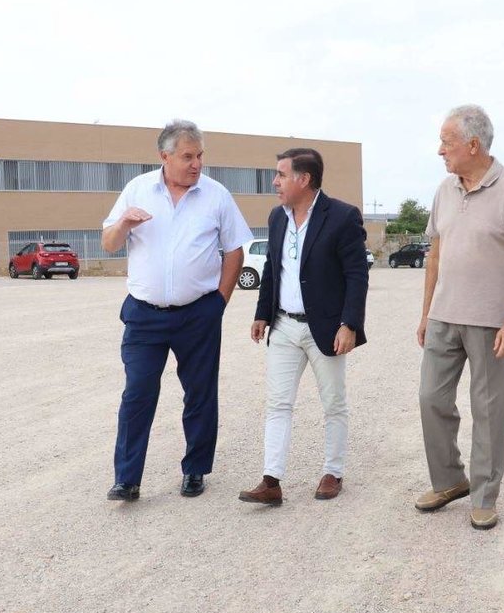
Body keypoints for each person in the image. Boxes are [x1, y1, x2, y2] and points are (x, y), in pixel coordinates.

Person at [101, 120, 252, 501]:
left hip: (198, 313)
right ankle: (127, 479)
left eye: (199, 155)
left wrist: (220, 301)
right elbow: (109, 243)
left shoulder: (215, 195)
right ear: (164, 156)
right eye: (187, 156)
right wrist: (124, 222)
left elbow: (235, 249)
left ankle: (195, 470)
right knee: (137, 394)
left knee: (200, 394)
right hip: (144, 315)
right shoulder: (137, 190)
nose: (196, 163)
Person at [414, 105, 504, 530]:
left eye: (446, 142)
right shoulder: (444, 190)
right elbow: (434, 255)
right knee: (431, 399)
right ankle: (451, 480)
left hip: (492, 322)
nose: (440, 150)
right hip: (444, 317)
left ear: (473, 144)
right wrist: (425, 313)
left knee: (488, 412)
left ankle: (485, 495)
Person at [239, 148, 368, 505]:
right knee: (278, 404)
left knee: (333, 403)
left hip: (324, 328)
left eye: (281, 174)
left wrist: (349, 324)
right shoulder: (277, 218)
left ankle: (333, 471)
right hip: (283, 326)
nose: (275, 182)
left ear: (304, 179)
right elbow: (272, 269)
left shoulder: (342, 217)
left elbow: (357, 275)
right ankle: (271, 481)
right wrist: (262, 313)